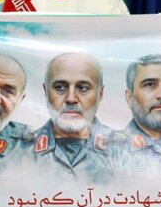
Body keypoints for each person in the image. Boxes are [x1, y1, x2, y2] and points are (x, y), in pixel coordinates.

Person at [28, 52, 116, 181]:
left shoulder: (121, 150)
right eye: (60, 87)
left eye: (83, 88)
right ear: (46, 91)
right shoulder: (20, 150)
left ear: (100, 94)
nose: (71, 99)